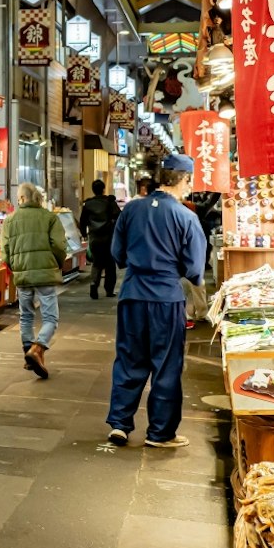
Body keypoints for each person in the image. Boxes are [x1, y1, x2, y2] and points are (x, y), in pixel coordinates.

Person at [106, 153, 207, 449]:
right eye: (190, 180)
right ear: (184, 179)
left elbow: (117, 253)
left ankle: (120, 424)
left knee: (129, 359)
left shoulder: (131, 209)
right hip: (166, 297)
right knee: (166, 365)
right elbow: (195, 269)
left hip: (132, 293)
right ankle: (160, 433)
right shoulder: (186, 217)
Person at [0, 182, 67, 379]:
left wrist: (15, 266)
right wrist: (56, 263)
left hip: (22, 275)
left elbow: (5, 251)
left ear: (21, 198)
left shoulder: (10, 220)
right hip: (45, 274)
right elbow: (59, 246)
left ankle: (28, 352)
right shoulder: (49, 218)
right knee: (50, 317)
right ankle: (37, 349)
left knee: (26, 316)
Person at [79, 179, 120, 299]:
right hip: (109, 238)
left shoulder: (88, 204)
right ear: (103, 189)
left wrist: (84, 234)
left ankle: (93, 284)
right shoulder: (109, 202)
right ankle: (109, 290)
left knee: (96, 263)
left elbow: (82, 221)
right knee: (110, 265)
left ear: (93, 190)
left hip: (94, 238)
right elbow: (119, 216)